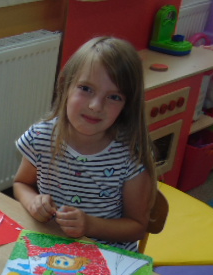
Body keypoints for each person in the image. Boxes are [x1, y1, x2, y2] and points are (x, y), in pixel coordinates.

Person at [13, 36, 157, 252]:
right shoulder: (41, 136)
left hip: (108, 255)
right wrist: (33, 202)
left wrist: (89, 225)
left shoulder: (131, 155)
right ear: (66, 86)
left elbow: (137, 227)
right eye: (86, 88)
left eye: (114, 97)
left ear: (126, 105)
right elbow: (21, 184)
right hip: (53, 246)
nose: (95, 106)